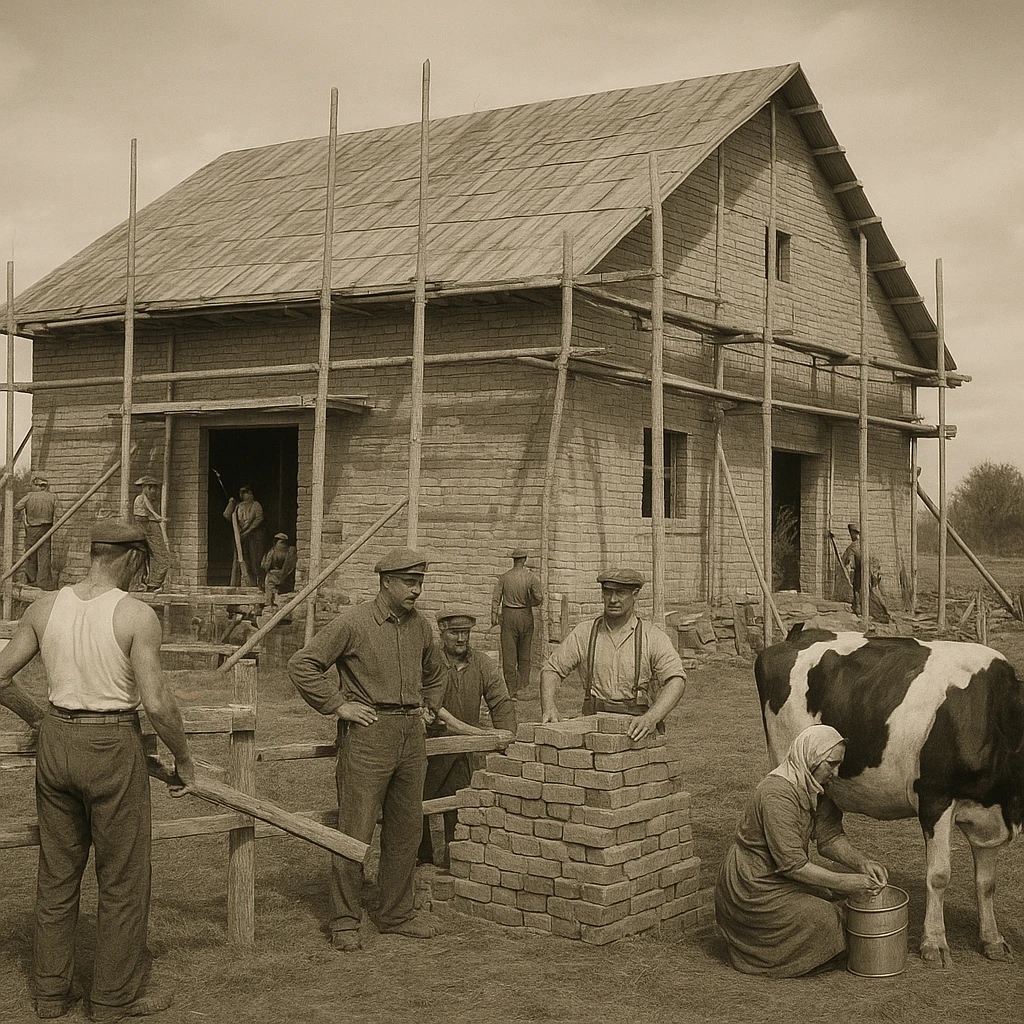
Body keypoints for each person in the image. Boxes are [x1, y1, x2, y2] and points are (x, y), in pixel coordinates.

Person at [0, 519, 196, 1020]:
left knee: (58, 875)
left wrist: (40, 720)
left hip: (58, 744)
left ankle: (49, 996)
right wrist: (184, 758)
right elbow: (155, 702)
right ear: (131, 558)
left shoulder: (44, 607)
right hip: (111, 745)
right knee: (124, 879)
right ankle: (112, 999)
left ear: (93, 554)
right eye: (142, 565)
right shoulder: (135, 615)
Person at [287, 547, 446, 952]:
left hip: (411, 735)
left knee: (406, 829)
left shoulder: (421, 626)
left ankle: (396, 913)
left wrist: (429, 705)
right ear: (386, 582)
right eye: (410, 582)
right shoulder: (353, 622)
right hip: (368, 735)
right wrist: (339, 705)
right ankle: (344, 921)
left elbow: (437, 671)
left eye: (420, 582)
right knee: (354, 830)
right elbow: (303, 664)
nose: (417, 590)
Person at [715, 724, 888, 977]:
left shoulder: (815, 786)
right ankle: (759, 954)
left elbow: (829, 838)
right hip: (752, 885)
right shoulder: (776, 794)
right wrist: (848, 882)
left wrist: (861, 863)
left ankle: (816, 947)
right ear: (812, 758)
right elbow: (793, 865)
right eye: (831, 764)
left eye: (838, 764)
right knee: (826, 917)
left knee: (833, 900)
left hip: (779, 876)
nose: (836, 772)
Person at [418, 605, 517, 867]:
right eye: (455, 633)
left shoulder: (482, 663)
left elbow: (501, 702)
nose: (461, 639)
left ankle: (456, 864)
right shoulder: (429, 663)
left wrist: (508, 738)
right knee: (417, 810)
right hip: (427, 751)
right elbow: (426, 707)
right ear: (442, 631)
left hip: (463, 753)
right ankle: (420, 864)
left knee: (460, 810)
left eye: (466, 633)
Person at [540, 568, 686, 741]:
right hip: (593, 724)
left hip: (636, 727)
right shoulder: (585, 633)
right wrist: (549, 707)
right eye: (608, 592)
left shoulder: (652, 636)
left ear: (635, 594)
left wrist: (651, 718)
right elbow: (552, 670)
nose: (613, 600)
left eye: (621, 593)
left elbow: (676, 680)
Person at [490, 548, 542, 698]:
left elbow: (496, 598)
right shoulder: (531, 578)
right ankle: (523, 688)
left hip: (509, 616)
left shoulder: (504, 577)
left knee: (509, 654)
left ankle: (511, 690)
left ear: (513, 560)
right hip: (525, 615)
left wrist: (494, 615)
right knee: (524, 653)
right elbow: (539, 597)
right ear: (524, 560)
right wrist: (529, 603)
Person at [15, 474, 60, 590]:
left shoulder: (29, 496)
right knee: (44, 555)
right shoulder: (53, 497)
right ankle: (43, 583)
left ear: (37, 485)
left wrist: (18, 517)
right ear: (45, 486)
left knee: (30, 554)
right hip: (47, 529)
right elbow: (59, 514)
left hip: (32, 529)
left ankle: (31, 580)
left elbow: (17, 506)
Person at [841, 523, 889, 622]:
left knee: (861, 590)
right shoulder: (865, 544)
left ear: (854, 534)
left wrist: (847, 566)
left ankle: (866, 611)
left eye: (851, 533)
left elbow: (846, 561)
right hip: (872, 572)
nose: (851, 535)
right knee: (872, 591)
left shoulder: (854, 546)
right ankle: (882, 610)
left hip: (866, 572)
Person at [132, 475, 170, 592]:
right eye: (150, 487)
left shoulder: (153, 500)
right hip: (147, 526)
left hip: (149, 525)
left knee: (159, 557)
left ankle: (153, 583)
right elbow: (149, 511)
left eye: (154, 488)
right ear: (144, 488)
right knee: (161, 557)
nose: (153, 490)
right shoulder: (141, 498)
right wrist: (159, 518)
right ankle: (151, 584)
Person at [225, 485, 266, 588]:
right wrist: (231, 504)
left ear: (251, 494)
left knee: (255, 561)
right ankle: (240, 584)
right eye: (242, 493)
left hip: (254, 537)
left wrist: (248, 531)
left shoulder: (256, 505)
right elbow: (227, 515)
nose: (244, 495)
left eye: (246, 492)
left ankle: (257, 585)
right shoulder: (238, 506)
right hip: (241, 537)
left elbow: (259, 519)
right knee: (242, 560)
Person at [260, 532, 297, 606]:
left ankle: (269, 601)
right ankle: (276, 596)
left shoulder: (273, 551)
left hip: (276, 573)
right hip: (288, 575)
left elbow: (266, 566)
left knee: (268, 580)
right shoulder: (291, 550)